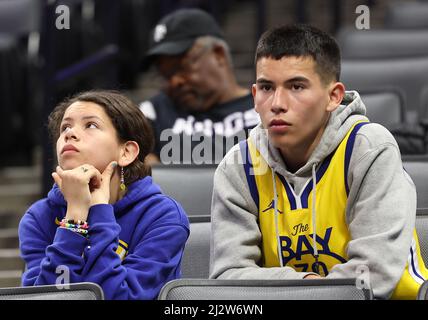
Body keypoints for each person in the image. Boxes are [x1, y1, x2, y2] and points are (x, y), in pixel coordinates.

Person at [209, 24, 428, 299]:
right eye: (266, 87)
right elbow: (227, 277)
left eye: (296, 86)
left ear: (333, 97)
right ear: (254, 96)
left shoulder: (368, 149)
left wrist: (302, 289)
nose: (277, 103)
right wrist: (309, 283)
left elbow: (374, 277)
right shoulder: (239, 166)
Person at [18, 90, 189, 300]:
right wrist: (75, 216)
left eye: (91, 125)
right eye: (65, 127)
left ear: (126, 152)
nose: (69, 134)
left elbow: (118, 297)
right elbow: (46, 298)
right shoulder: (39, 217)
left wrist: (100, 211)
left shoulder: (163, 217)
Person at [139, 8, 259, 164]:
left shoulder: (264, 110)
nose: (175, 82)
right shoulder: (153, 113)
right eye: (165, 75)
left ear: (218, 54)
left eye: (181, 67)